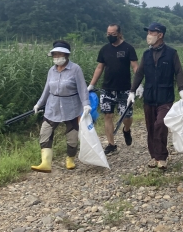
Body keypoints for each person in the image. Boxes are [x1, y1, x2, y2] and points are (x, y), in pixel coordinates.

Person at [130, 22, 183, 170]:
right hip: (149, 96)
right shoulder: (146, 54)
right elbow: (139, 73)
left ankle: (162, 157)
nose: (148, 36)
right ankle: (154, 156)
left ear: (160, 35)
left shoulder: (171, 53)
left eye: (151, 32)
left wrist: (181, 89)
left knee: (160, 124)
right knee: (150, 127)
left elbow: (179, 72)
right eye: (148, 32)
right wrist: (132, 91)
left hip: (165, 96)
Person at [31, 40, 90, 173]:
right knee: (45, 132)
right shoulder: (51, 70)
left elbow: (82, 89)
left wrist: (86, 104)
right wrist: (39, 104)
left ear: (66, 55)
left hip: (71, 106)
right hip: (52, 106)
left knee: (72, 134)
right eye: (55, 55)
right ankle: (45, 163)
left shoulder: (75, 69)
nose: (57, 57)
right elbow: (47, 89)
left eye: (59, 54)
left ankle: (70, 159)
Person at [87, 24, 139, 156]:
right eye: (108, 34)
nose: (110, 36)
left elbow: (135, 67)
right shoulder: (104, 49)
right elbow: (100, 68)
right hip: (107, 89)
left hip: (125, 89)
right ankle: (111, 144)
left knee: (127, 116)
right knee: (107, 115)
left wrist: (138, 84)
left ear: (119, 33)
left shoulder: (128, 48)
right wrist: (91, 85)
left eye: (113, 34)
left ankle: (126, 130)